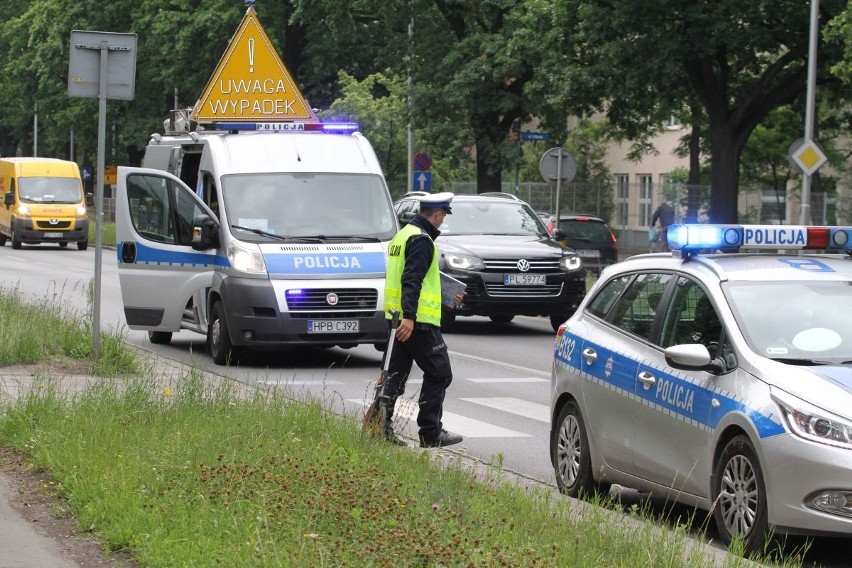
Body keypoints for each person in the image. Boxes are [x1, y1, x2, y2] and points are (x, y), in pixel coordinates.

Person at [381, 192, 464, 448]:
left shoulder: (402, 235)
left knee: (393, 374)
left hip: (397, 318)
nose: (442, 222)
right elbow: (411, 280)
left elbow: (414, 276)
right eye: (442, 217)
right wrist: (410, 317)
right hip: (416, 323)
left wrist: (447, 294)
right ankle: (430, 432)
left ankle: (378, 427)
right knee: (440, 373)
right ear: (437, 215)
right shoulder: (421, 239)